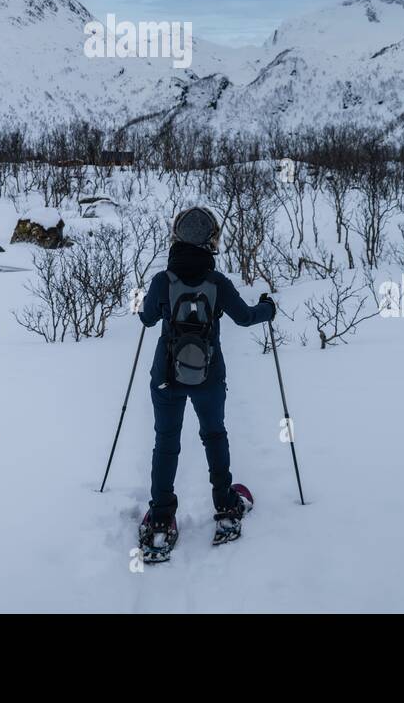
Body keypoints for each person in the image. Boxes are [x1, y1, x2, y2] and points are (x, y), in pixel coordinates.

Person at [137, 206, 276, 556]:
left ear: (177, 236)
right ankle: (226, 505)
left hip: (166, 375)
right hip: (209, 376)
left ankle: (161, 517)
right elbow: (244, 318)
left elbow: (148, 319)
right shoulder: (217, 283)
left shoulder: (161, 280)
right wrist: (268, 309)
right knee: (214, 434)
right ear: (211, 239)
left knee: (166, 441)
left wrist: (149, 305)